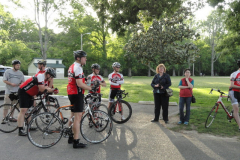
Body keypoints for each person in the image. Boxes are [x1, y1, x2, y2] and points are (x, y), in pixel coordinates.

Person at [17, 68, 56, 136]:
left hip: (30, 93)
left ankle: (29, 125)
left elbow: (47, 88)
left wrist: (53, 90)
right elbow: (42, 89)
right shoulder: (41, 76)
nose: (52, 78)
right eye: (52, 77)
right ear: (48, 75)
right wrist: (51, 90)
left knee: (29, 111)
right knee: (23, 110)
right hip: (24, 91)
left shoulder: (46, 80)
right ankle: (20, 130)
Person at [67, 50, 93, 149]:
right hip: (77, 94)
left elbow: (77, 80)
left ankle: (70, 136)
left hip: (71, 92)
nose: (85, 59)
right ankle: (76, 141)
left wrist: (85, 79)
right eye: (84, 57)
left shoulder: (72, 66)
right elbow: (80, 84)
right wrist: (91, 88)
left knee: (73, 116)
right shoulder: (78, 68)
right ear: (78, 58)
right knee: (78, 118)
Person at [228, 59, 240, 131]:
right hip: (233, 92)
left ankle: (233, 113)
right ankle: (239, 126)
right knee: (236, 108)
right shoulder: (234, 74)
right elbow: (232, 85)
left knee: (236, 109)